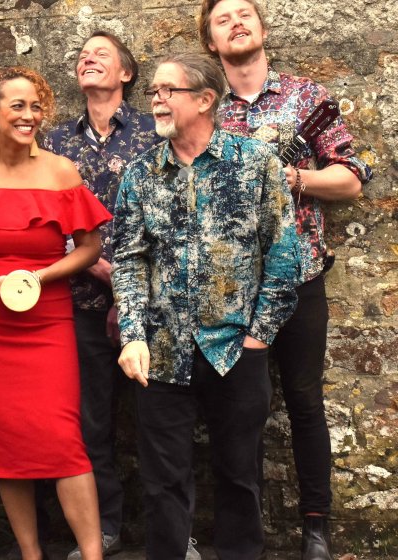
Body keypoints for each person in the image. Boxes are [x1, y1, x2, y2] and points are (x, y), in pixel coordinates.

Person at [197, 1, 373, 557]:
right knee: (235, 410)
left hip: (299, 276)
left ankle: (316, 529)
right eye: (222, 20)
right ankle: (240, 537)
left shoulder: (307, 98)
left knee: (303, 402)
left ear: (263, 27)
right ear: (210, 42)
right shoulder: (204, 106)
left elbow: (351, 179)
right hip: (231, 289)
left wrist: (291, 176)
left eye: (244, 13)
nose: (236, 23)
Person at [112, 53, 302, 560]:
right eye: (153, 89)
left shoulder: (256, 164)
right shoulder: (139, 175)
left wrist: (259, 337)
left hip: (237, 349)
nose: (156, 98)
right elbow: (128, 262)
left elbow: (284, 255)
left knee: (241, 480)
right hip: (162, 352)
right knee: (161, 486)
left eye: (168, 89)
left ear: (204, 99)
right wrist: (133, 334)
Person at [0, 66, 110, 560]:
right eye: (17, 106)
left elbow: (89, 247)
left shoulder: (60, 172)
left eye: (36, 106)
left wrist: (39, 278)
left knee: (63, 438)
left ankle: (92, 555)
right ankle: (31, 555)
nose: (29, 115)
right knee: (3, 446)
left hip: (47, 318)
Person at [43, 31, 165, 560]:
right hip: (79, 302)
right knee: (91, 422)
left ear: (127, 74)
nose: (87, 58)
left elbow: (169, 211)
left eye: (101, 54)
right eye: (82, 55)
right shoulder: (52, 142)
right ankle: (106, 527)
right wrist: (105, 274)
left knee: (161, 424)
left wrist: (131, 284)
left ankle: (171, 531)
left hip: (153, 305)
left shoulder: (154, 131)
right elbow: (48, 219)